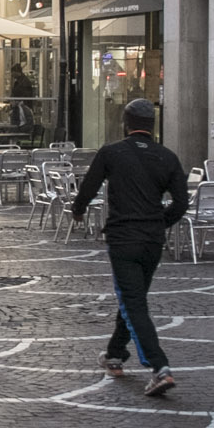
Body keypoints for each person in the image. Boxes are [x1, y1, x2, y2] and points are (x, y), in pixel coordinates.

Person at [71, 99, 189, 397]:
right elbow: (181, 204)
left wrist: (78, 210)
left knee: (133, 301)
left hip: (123, 238)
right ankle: (114, 353)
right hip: (152, 240)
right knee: (134, 297)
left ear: (125, 123)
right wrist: (160, 222)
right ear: (152, 125)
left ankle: (159, 366)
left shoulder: (112, 152)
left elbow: (89, 186)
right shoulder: (168, 157)